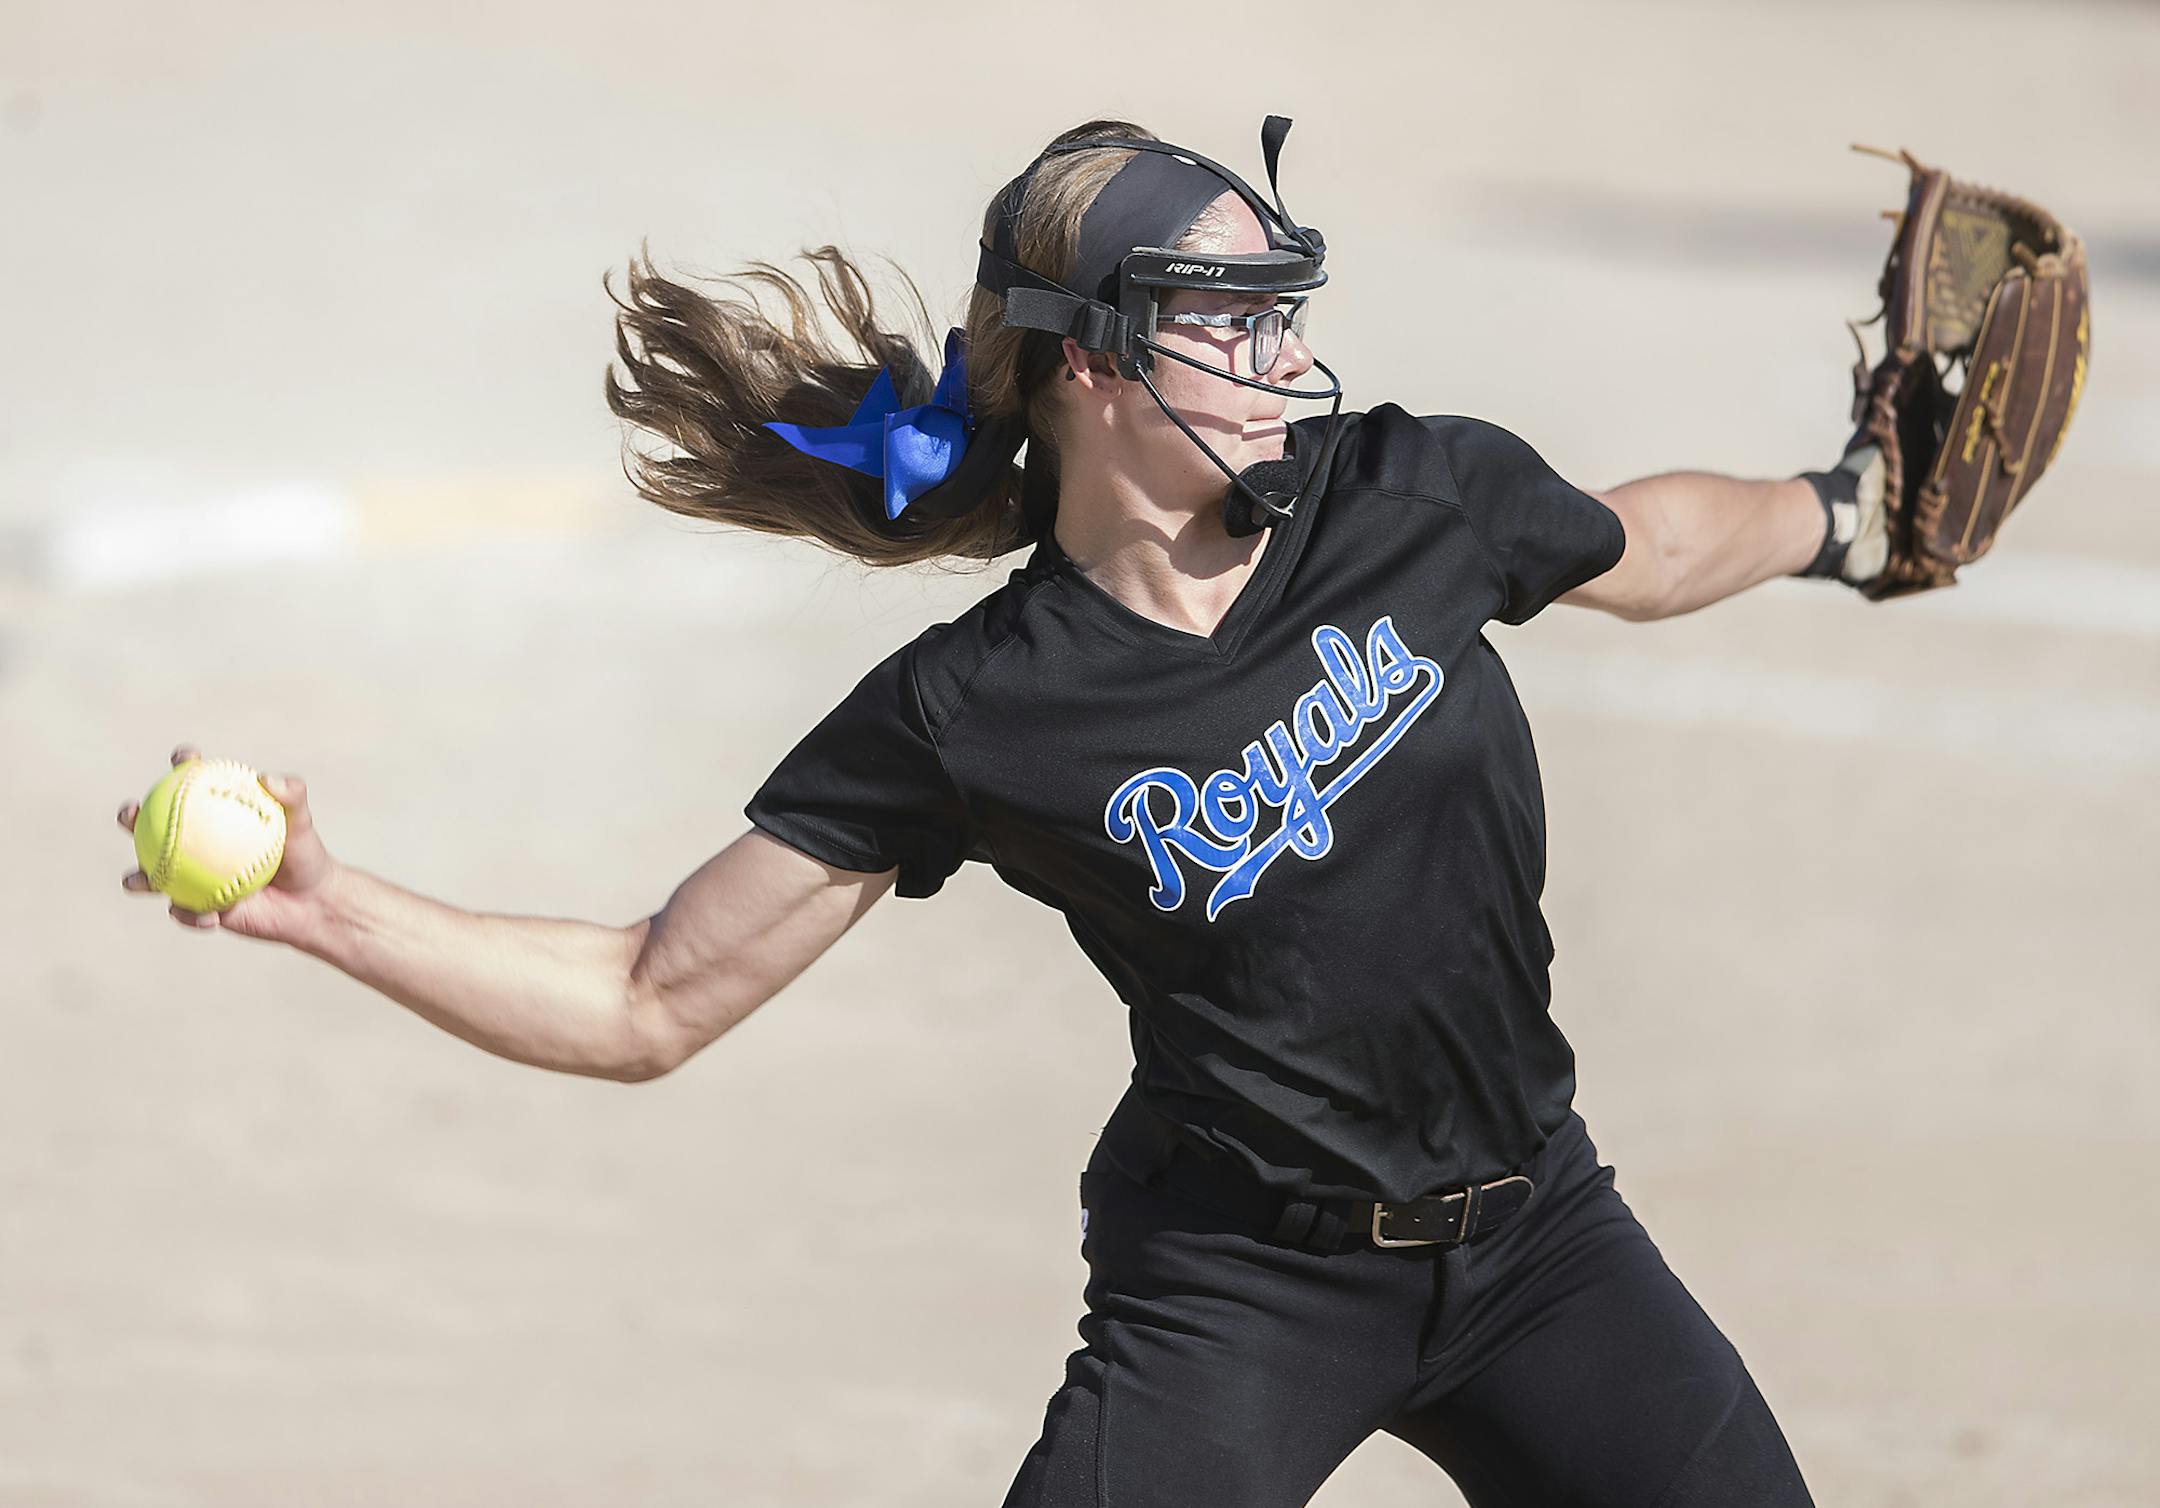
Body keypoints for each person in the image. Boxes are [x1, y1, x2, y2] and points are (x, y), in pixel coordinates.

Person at [118, 116, 1875, 1506]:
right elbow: (647, 1000)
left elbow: (1648, 548)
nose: (1283, 354)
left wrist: (1853, 503)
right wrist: (330, 908)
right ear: (1095, 364)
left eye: (1288, 311)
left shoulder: (1415, 496)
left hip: (1545, 1237)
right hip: (1242, 1294)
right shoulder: (978, 708)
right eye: (1231, 318)